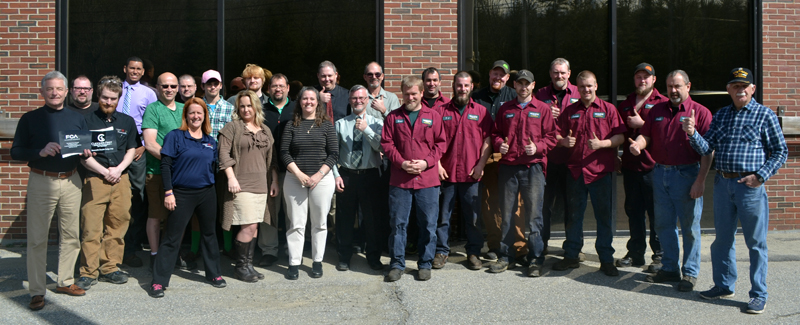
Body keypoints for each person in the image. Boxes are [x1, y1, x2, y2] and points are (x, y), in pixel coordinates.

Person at [688, 68, 787, 314]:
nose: (740, 89)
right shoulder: (721, 115)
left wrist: (761, 176)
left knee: (755, 243)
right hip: (723, 184)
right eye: (735, 86)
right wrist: (692, 133)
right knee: (722, 240)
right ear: (729, 89)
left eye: (744, 85)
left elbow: (780, 151)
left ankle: (758, 294)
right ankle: (723, 285)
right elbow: (707, 147)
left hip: (750, 187)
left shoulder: (765, 115)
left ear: (752, 89)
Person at [12, 70, 94, 310]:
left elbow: (82, 147)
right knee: (37, 238)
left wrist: (86, 151)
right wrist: (39, 151)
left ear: (66, 92)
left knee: (71, 235)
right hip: (42, 180)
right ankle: (37, 291)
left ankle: (65, 281)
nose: (54, 93)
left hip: (71, 180)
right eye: (49, 89)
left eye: (59, 89)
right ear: (42, 92)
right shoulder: (30, 118)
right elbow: (16, 151)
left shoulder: (77, 118)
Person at [630, 70, 713, 292]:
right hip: (660, 173)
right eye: (669, 86)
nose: (673, 91)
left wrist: (701, 180)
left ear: (688, 86)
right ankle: (669, 268)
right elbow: (646, 135)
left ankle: (690, 273)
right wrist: (639, 144)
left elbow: (708, 152)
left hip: (687, 174)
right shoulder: (657, 110)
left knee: (689, 227)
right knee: (664, 225)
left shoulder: (701, 113)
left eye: (677, 86)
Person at [148, 98, 227, 297]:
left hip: (206, 193)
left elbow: (214, 168)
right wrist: (168, 192)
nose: (195, 116)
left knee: (209, 234)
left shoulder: (210, 140)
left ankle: (214, 274)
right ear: (186, 115)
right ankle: (158, 282)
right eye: (192, 112)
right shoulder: (175, 136)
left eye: (199, 113)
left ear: (204, 116)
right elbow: (165, 166)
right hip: (181, 193)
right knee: (172, 238)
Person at [552, 70, 625, 276]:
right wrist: (563, 141)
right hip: (575, 171)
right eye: (582, 86)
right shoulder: (569, 111)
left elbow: (620, 136)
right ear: (577, 87)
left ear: (596, 86)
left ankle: (606, 258)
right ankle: (572, 255)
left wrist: (603, 143)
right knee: (574, 216)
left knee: (604, 217)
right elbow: (555, 132)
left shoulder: (608, 109)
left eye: (590, 86)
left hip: (600, 172)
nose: (586, 90)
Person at [488, 69, 558, 276]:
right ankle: (506, 256)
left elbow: (552, 137)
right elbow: (496, 133)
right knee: (507, 214)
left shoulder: (543, 109)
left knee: (534, 216)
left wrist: (537, 147)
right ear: (515, 85)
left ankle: (535, 259)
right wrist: (500, 144)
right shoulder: (505, 109)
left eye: (527, 83)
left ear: (533, 85)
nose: (523, 87)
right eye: (520, 83)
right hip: (509, 167)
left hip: (533, 168)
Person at [74, 76, 138, 291]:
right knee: (91, 228)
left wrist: (118, 170)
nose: (108, 102)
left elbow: (132, 148)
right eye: (104, 98)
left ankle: (110, 267)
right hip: (95, 178)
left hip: (121, 179)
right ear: (98, 96)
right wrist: (103, 171)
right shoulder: (86, 120)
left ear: (119, 99)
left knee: (117, 225)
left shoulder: (126, 122)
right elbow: (82, 154)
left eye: (113, 98)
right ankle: (88, 272)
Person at [381, 76, 446, 282]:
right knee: (398, 224)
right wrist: (402, 163)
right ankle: (397, 263)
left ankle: (425, 263)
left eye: (414, 94)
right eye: (407, 94)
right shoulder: (393, 117)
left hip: (427, 180)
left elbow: (441, 144)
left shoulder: (433, 116)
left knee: (428, 223)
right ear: (402, 94)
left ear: (420, 93)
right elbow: (387, 144)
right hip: (400, 180)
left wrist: (426, 163)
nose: (410, 97)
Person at [433, 71, 492, 271]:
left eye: (466, 85)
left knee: (473, 218)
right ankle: (441, 251)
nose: (462, 89)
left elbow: (487, 140)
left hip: (471, 173)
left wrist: (481, 165)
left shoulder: (482, 111)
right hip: (446, 173)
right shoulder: (441, 111)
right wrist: (438, 165)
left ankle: (474, 252)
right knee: (443, 217)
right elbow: (433, 141)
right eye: (459, 85)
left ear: (471, 87)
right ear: (453, 86)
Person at [218, 90, 279, 282]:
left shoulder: (265, 130)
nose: (246, 109)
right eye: (242, 106)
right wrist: (231, 177)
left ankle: (249, 265)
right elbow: (223, 155)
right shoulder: (232, 128)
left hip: (262, 185)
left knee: (255, 227)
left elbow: (273, 159)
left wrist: (275, 181)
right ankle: (240, 267)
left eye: (249, 105)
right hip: (241, 185)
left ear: (256, 107)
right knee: (249, 225)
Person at [280, 87, 339, 280]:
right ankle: (294, 263)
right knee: (296, 223)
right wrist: (298, 173)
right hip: (295, 179)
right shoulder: (291, 125)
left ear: (317, 102)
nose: (308, 102)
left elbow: (334, 154)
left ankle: (317, 261)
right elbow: (284, 153)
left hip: (321, 180)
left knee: (320, 222)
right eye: (304, 99)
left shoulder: (327, 125)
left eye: (312, 99)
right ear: (299, 102)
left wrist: (318, 175)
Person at [614, 63, 667, 272]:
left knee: (656, 213)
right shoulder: (626, 103)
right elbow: (617, 132)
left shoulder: (662, 103)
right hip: (630, 166)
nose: (642, 80)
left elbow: (664, 134)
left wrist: (642, 123)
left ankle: (660, 255)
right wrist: (615, 156)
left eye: (646, 77)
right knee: (633, 211)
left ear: (654, 80)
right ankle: (636, 253)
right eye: (638, 77)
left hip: (653, 167)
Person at [471, 60, 523, 261]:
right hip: (487, 157)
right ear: (490, 74)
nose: (498, 77)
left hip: (510, 158)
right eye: (495, 73)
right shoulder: (477, 97)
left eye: (502, 75)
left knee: (515, 204)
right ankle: (494, 245)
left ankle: (518, 247)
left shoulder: (514, 96)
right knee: (491, 204)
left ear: (508, 78)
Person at [332, 85, 386, 271]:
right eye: (354, 98)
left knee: (372, 219)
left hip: (371, 175)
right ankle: (344, 257)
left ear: (367, 100)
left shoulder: (377, 123)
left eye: (362, 98)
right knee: (345, 219)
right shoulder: (340, 124)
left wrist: (367, 130)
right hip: (347, 175)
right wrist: (336, 175)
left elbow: (382, 148)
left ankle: (373, 257)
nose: (358, 101)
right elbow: (332, 153)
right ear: (350, 100)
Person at [141, 72, 190, 270]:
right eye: (164, 86)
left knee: (178, 217)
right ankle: (154, 255)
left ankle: (172, 253)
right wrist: (174, 160)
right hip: (158, 172)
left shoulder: (184, 109)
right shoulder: (153, 109)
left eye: (172, 86)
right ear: (158, 88)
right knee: (156, 215)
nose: (169, 89)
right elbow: (150, 143)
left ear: (178, 88)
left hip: (181, 175)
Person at [535, 58, 579, 254]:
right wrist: (546, 113)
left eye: (562, 73)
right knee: (545, 206)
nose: (559, 76)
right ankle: (541, 245)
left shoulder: (579, 92)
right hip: (548, 159)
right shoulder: (541, 94)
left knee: (573, 206)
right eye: (555, 72)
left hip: (573, 159)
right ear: (550, 74)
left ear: (569, 74)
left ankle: (573, 247)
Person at [119, 56, 158, 268]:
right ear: (125, 68)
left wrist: (143, 144)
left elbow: (152, 122)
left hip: (138, 151)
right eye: (131, 68)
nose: (134, 71)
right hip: (114, 150)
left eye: (138, 69)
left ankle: (131, 248)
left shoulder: (149, 94)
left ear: (143, 72)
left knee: (137, 199)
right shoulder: (115, 89)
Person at [258, 73, 295, 267]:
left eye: (281, 85)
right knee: (270, 212)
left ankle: (292, 250)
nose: (278, 89)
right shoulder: (261, 111)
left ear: (288, 88)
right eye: (274, 86)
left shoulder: (296, 109)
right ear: (268, 89)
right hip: (267, 169)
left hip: (293, 171)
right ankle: (269, 251)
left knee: (292, 213)